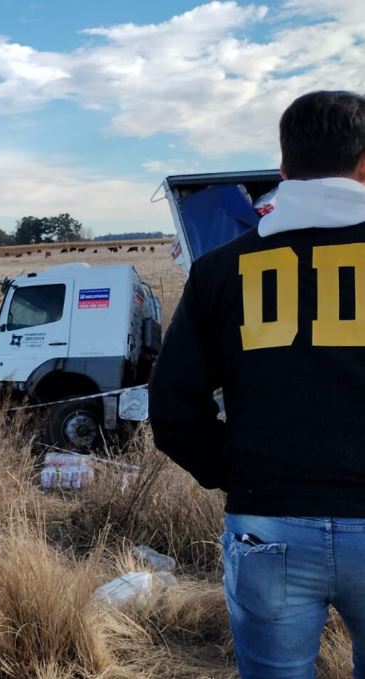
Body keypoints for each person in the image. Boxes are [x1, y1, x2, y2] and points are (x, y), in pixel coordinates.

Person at [149, 90, 365, 679]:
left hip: (266, 524)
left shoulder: (219, 268)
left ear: (284, 168)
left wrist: (240, 471)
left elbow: (172, 408)